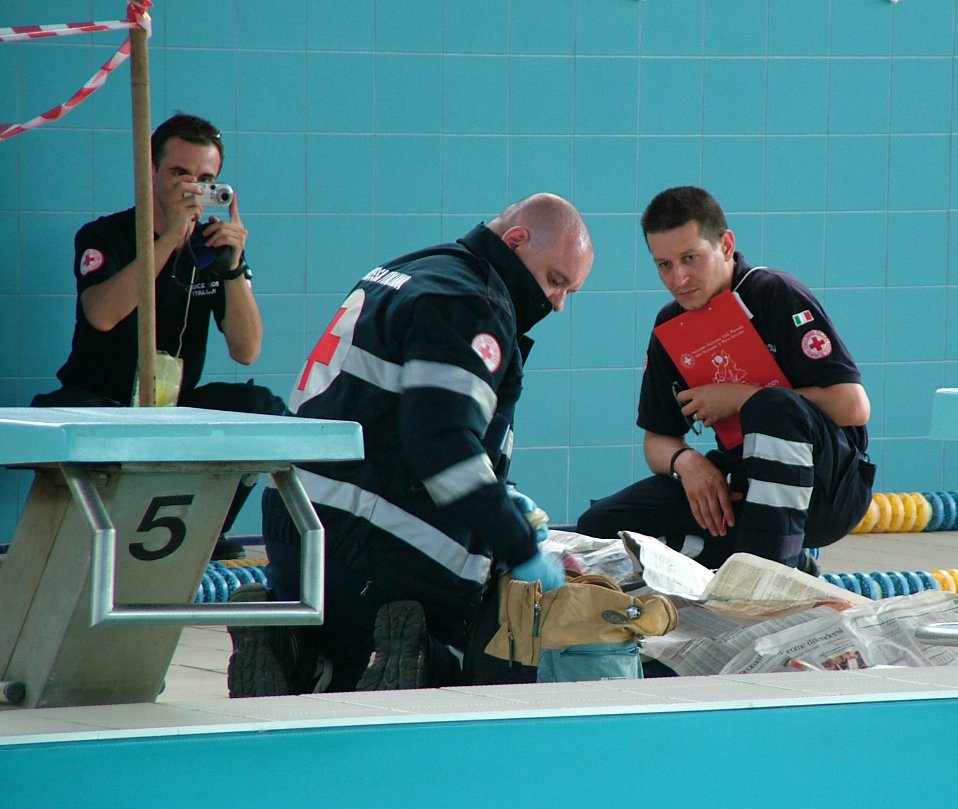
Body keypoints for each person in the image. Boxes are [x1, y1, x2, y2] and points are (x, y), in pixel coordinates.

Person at [229, 193, 594, 696]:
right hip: (374, 556)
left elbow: (398, 416)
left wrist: (500, 493)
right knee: (491, 647)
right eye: (555, 281)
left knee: (336, 661)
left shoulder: (411, 268)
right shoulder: (472, 302)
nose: (556, 303)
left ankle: (298, 652)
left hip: (298, 534)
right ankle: (416, 664)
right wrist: (518, 545)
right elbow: (441, 443)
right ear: (515, 241)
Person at [577, 186, 875, 571]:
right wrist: (687, 463)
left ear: (727, 245)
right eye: (664, 264)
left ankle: (772, 571)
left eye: (690, 258)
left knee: (773, 406)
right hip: (744, 488)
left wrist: (741, 398)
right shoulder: (671, 326)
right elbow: (657, 439)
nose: (679, 277)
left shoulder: (774, 294)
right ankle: (764, 557)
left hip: (829, 489)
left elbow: (853, 405)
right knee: (601, 526)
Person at [32, 112, 283, 561]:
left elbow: (247, 351)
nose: (190, 187)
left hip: (172, 406)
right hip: (101, 402)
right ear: (150, 171)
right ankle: (96, 537)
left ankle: (204, 531)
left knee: (259, 408)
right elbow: (102, 315)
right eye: (179, 173)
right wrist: (167, 240)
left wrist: (233, 267)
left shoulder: (214, 248)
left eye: (204, 178)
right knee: (73, 418)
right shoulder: (104, 235)